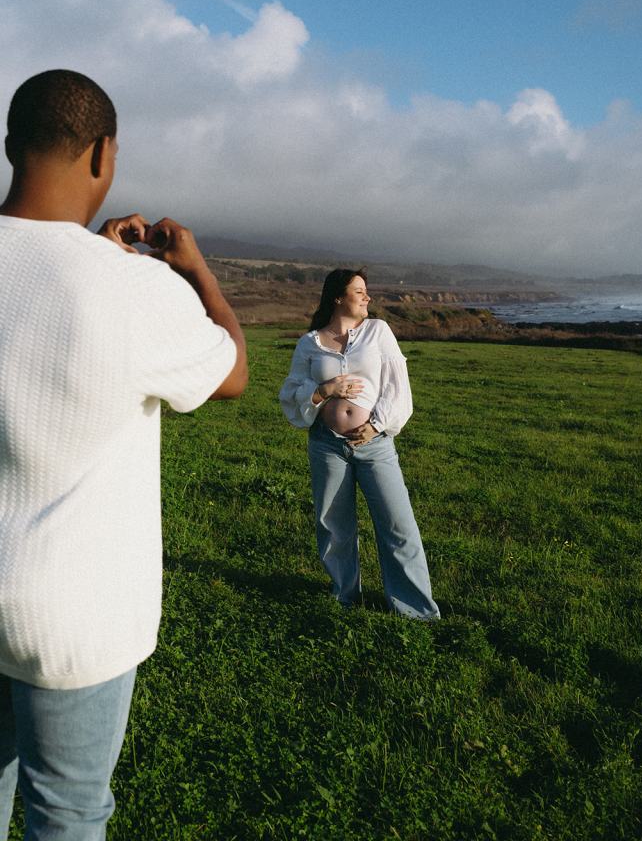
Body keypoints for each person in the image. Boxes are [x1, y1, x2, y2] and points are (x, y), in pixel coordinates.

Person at [0, 69, 247, 840]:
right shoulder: (130, 290)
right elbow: (232, 372)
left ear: (9, 147)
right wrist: (192, 270)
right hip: (71, 616)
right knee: (67, 813)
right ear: (104, 155)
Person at [279, 268, 439, 620]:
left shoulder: (378, 331)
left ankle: (416, 611)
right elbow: (291, 392)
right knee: (333, 526)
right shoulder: (310, 343)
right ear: (338, 297)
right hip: (326, 444)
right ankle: (344, 598)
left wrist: (377, 425)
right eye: (360, 291)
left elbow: (398, 386)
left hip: (374, 443)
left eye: (366, 292)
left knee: (398, 524)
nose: (368, 298)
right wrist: (324, 390)